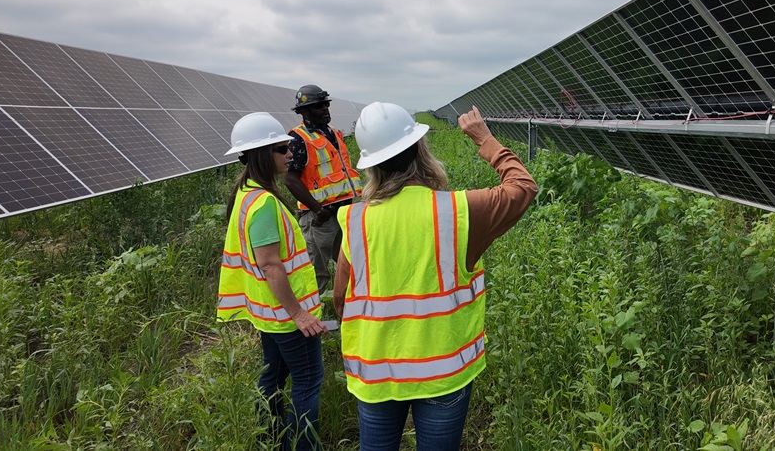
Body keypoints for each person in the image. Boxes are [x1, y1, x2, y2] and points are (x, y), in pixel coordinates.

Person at [333, 103, 537, 451]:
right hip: (443, 372)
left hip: (376, 368)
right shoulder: (460, 210)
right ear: (420, 150)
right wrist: (485, 139)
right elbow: (523, 187)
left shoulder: (354, 220)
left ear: (372, 166)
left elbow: (341, 300)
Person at [217, 112, 328, 451]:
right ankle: (302, 446)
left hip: (269, 312)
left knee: (274, 378)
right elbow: (270, 265)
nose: (291, 153)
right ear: (264, 154)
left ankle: (271, 440)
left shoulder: (247, 194)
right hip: (286, 317)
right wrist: (300, 315)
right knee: (308, 382)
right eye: (283, 149)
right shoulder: (263, 203)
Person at [284, 84, 362, 294]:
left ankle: (348, 308)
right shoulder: (299, 139)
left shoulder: (333, 133)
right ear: (304, 111)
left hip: (342, 214)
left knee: (350, 266)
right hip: (319, 218)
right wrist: (318, 210)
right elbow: (290, 179)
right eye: (318, 106)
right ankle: (311, 319)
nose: (325, 109)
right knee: (316, 273)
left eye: (325, 104)